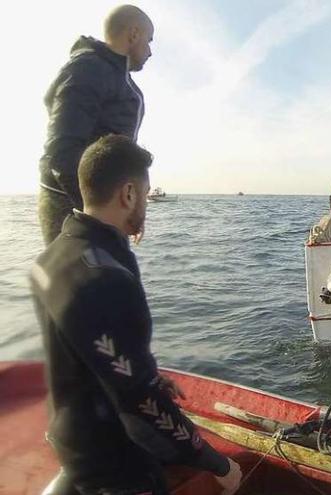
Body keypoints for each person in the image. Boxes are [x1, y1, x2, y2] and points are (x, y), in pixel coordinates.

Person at [30, 136, 241, 495]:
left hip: (70, 440)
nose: (145, 204)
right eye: (144, 195)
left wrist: (148, 374)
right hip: (114, 464)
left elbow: (86, 355)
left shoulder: (51, 258)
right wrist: (217, 463)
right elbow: (140, 402)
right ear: (128, 193)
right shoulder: (106, 277)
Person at [38, 5, 153, 246]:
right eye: (149, 40)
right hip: (76, 213)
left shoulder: (119, 77)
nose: (150, 51)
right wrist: (96, 212)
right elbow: (61, 150)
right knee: (89, 282)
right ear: (133, 34)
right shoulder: (88, 68)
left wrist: (131, 206)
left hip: (104, 214)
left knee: (115, 278)